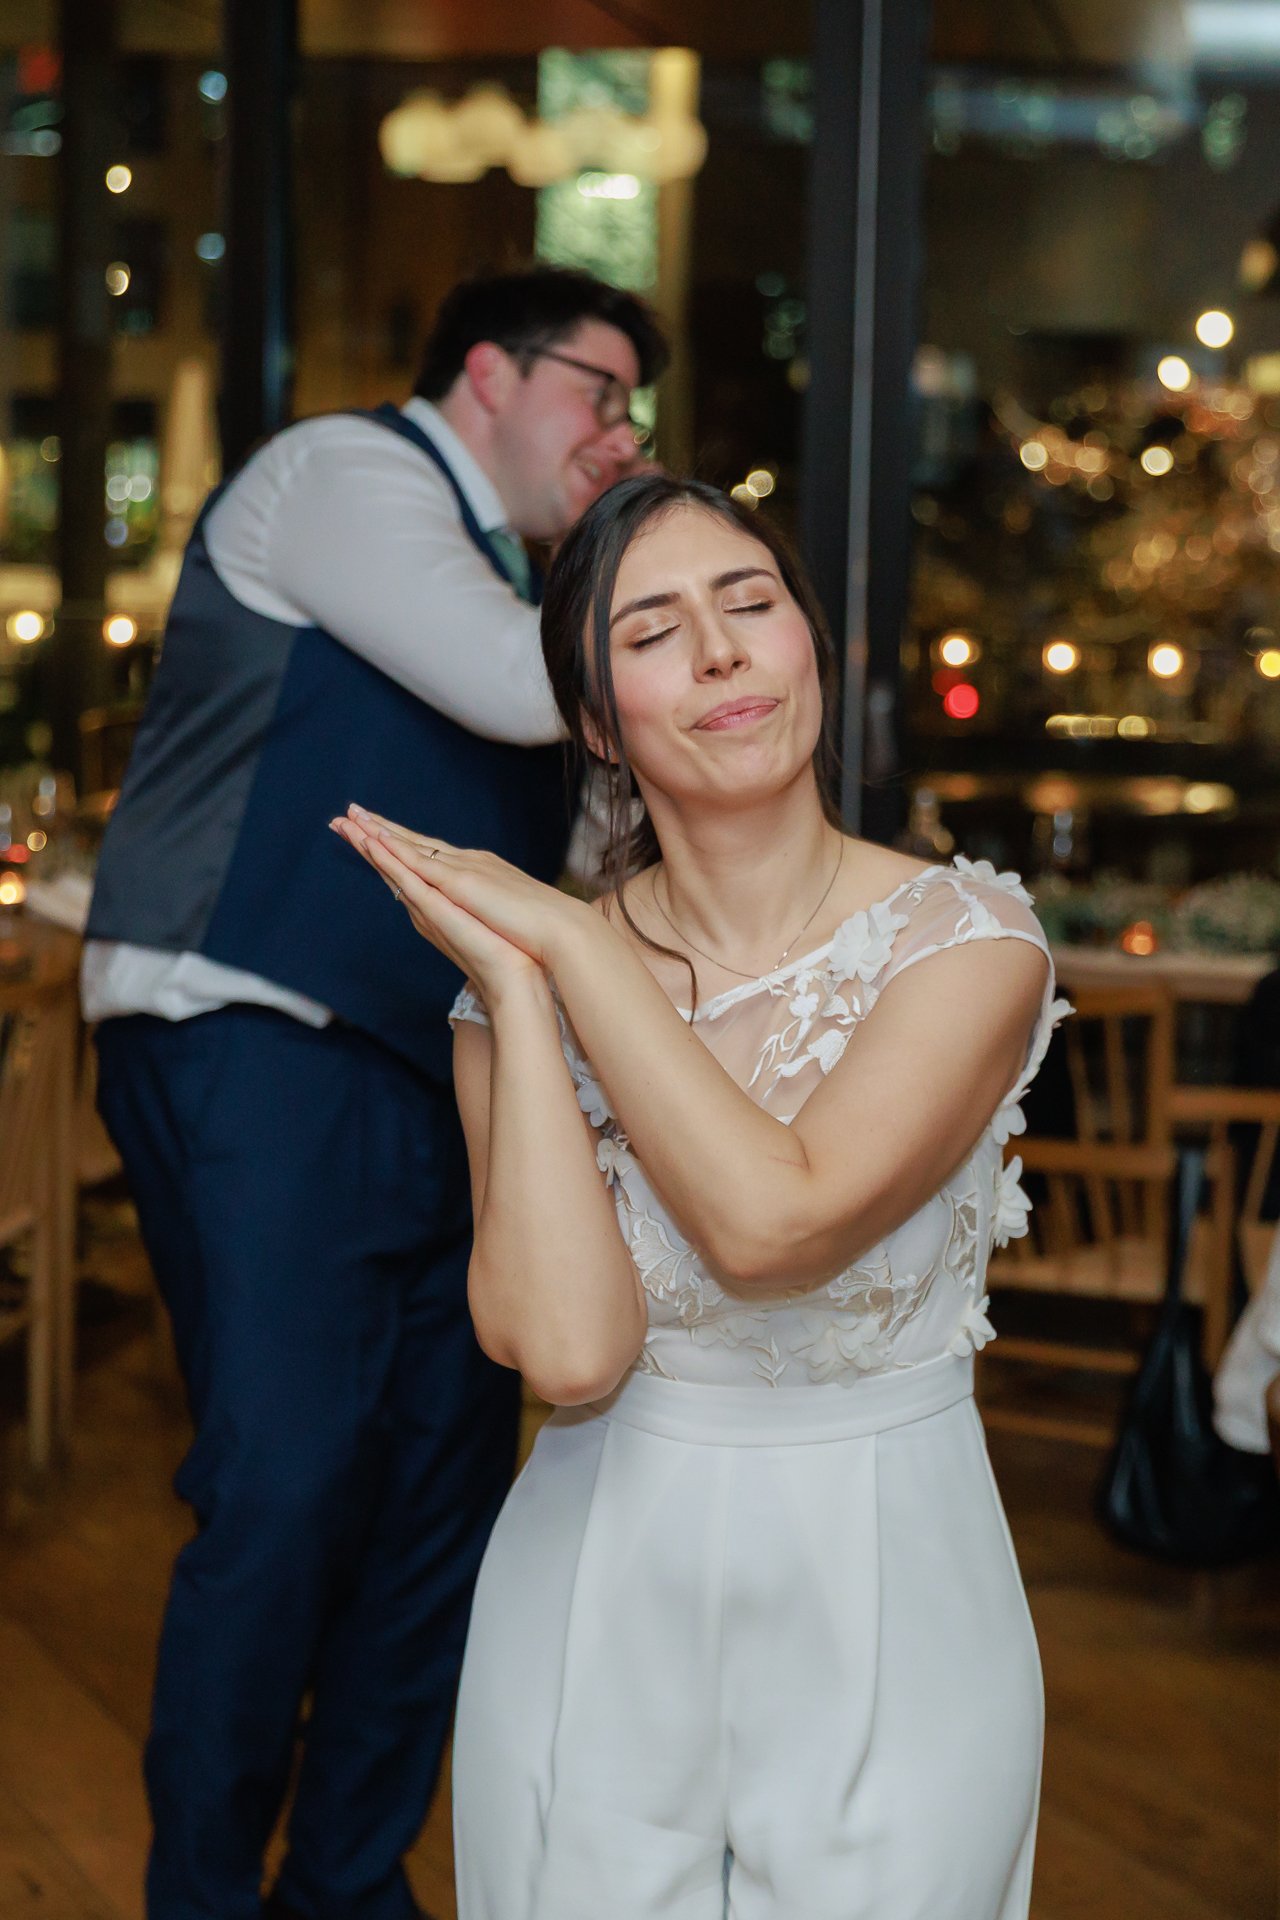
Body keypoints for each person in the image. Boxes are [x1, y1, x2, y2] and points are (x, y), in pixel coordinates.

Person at [333, 472, 1071, 1920]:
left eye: (751, 605)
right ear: (599, 724)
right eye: (658, 631)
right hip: (598, 1580)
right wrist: (520, 989)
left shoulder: (967, 939)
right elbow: (569, 1355)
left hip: (893, 1583)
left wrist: (571, 946)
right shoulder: (515, 993)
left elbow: (775, 1225)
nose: (724, 654)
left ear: (812, 648)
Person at [81, 267, 667, 1920]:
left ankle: (348, 1885)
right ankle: (202, 1892)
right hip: (250, 1025)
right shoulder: (346, 474)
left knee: (441, 1491)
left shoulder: (526, 581)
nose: (616, 433)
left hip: (444, 1070)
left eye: (633, 412)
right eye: (599, 393)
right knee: (287, 1481)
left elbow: (576, 836)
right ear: (486, 369)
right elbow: (506, 683)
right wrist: (664, 599)